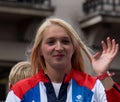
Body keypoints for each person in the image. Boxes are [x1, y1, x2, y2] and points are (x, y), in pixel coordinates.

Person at [5, 17, 120, 102]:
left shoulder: (93, 87)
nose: (59, 48)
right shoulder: (20, 91)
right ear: (40, 50)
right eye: (51, 42)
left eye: (65, 41)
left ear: (73, 48)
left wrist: (103, 75)